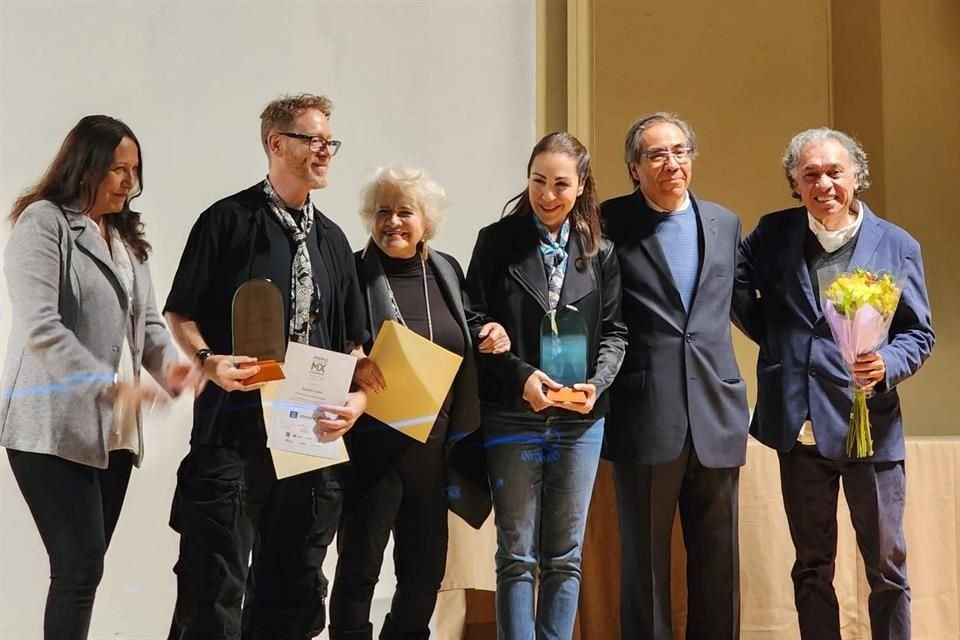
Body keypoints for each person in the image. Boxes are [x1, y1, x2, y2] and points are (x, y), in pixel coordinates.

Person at [163, 94, 379, 640]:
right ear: (276, 143)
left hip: (307, 437)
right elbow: (180, 312)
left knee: (294, 590)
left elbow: (353, 344)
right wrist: (208, 362)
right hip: (232, 432)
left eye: (330, 141)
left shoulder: (332, 240)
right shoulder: (225, 221)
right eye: (313, 140)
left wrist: (357, 400)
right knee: (214, 588)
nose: (325, 151)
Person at [734, 127, 935, 639]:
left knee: (886, 567)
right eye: (810, 174)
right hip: (799, 428)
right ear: (795, 184)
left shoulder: (897, 244)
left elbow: (918, 332)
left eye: (834, 172)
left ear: (856, 178)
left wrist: (886, 362)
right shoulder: (771, 234)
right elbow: (734, 287)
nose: (823, 183)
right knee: (811, 565)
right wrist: (783, 345)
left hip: (869, 426)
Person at [0, 115, 196, 639]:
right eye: (115, 169)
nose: (127, 181)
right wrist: (106, 383)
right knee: (79, 566)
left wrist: (171, 366)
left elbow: (148, 322)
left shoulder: (126, 237)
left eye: (133, 170)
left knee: (86, 569)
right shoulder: (43, 223)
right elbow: (42, 327)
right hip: (50, 425)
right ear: (82, 166)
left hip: (113, 431)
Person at [329, 166, 509, 640]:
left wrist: (490, 331)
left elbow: (466, 326)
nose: (393, 222)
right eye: (382, 211)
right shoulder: (351, 271)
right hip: (372, 448)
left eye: (404, 211)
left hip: (434, 450)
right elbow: (333, 340)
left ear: (425, 220)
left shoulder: (446, 269)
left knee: (425, 574)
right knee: (358, 570)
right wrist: (351, 358)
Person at [464, 131, 627, 640]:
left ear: (581, 186)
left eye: (560, 184)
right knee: (517, 553)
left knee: (566, 554)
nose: (547, 195)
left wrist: (597, 385)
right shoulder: (497, 241)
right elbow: (473, 317)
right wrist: (519, 373)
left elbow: (617, 332)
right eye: (538, 181)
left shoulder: (600, 251)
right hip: (513, 412)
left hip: (580, 420)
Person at [600, 112, 749, 640]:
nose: (673, 164)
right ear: (634, 168)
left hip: (717, 411)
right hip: (645, 413)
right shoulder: (607, 222)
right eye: (658, 155)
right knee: (645, 568)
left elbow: (746, 307)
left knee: (719, 564)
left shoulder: (724, 222)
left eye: (681, 151)